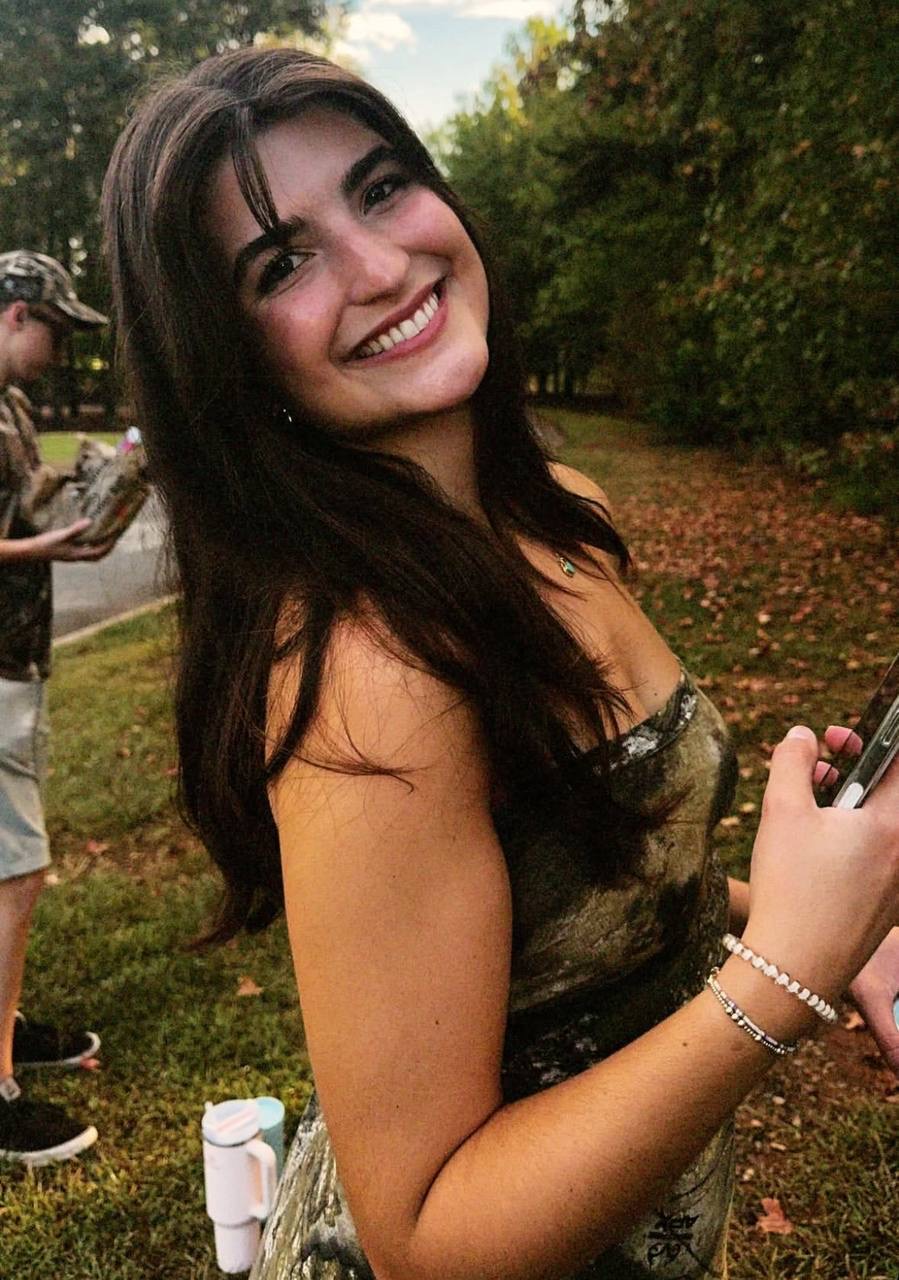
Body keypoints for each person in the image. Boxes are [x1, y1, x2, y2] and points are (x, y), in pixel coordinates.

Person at [101, 48, 899, 1279]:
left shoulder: (557, 515)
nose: (381, 267)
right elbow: (422, 1235)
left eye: (380, 188)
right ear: (225, 358)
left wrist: (826, 916)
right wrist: (787, 971)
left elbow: (606, 891)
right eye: (282, 263)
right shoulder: (375, 678)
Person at [0, 250, 109, 1166]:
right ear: (15, 314)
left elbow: (21, 509)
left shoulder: (14, 407)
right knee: (17, 867)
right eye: (58, 332)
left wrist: (92, 489)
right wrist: (44, 552)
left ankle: (5, 1025)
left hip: (17, 657)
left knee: (7, 861)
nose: (62, 352)